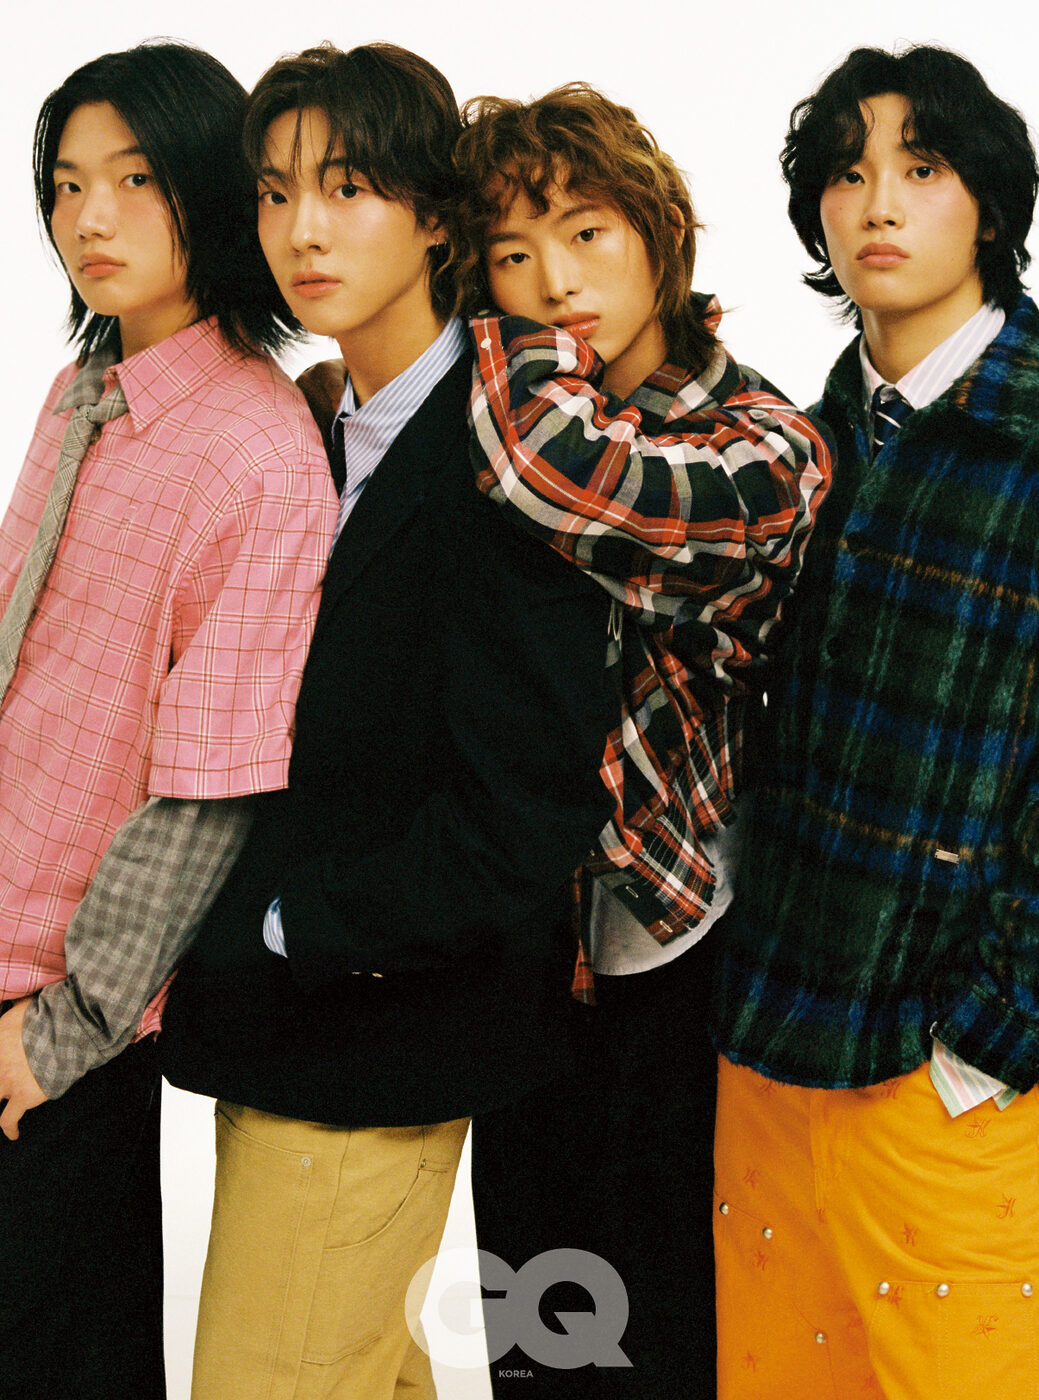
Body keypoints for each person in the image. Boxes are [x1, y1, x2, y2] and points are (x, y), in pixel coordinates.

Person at [156, 43, 619, 1400]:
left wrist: (289, 927)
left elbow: (525, 811)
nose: (303, 230)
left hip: (382, 1043)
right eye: (276, 193)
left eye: (348, 188)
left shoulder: (511, 450)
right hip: (284, 1038)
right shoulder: (312, 431)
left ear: (433, 218)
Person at [451, 86, 832, 1395]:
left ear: (660, 234)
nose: (554, 284)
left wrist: (495, 343)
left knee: (665, 1335)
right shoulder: (498, 417)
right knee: (537, 1334)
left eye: (585, 234)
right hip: (526, 948)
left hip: (680, 949)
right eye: (510, 255)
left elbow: (570, 480)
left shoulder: (768, 445)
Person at [0, 40, 337, 1400]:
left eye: (135, 180)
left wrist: (66, 1026)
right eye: (68, 183)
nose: (91, 217)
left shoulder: (259, 454)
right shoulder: (81, 394)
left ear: (206, 185)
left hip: (53, 1014)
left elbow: (210, 793)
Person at [711, 44, 1039, 1400]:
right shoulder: (803, 443)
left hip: (951, 1070)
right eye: (848, 175)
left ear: (991, 205)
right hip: (767, 1042)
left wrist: (995, 1034)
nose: (879, 205)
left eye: (923, 167)